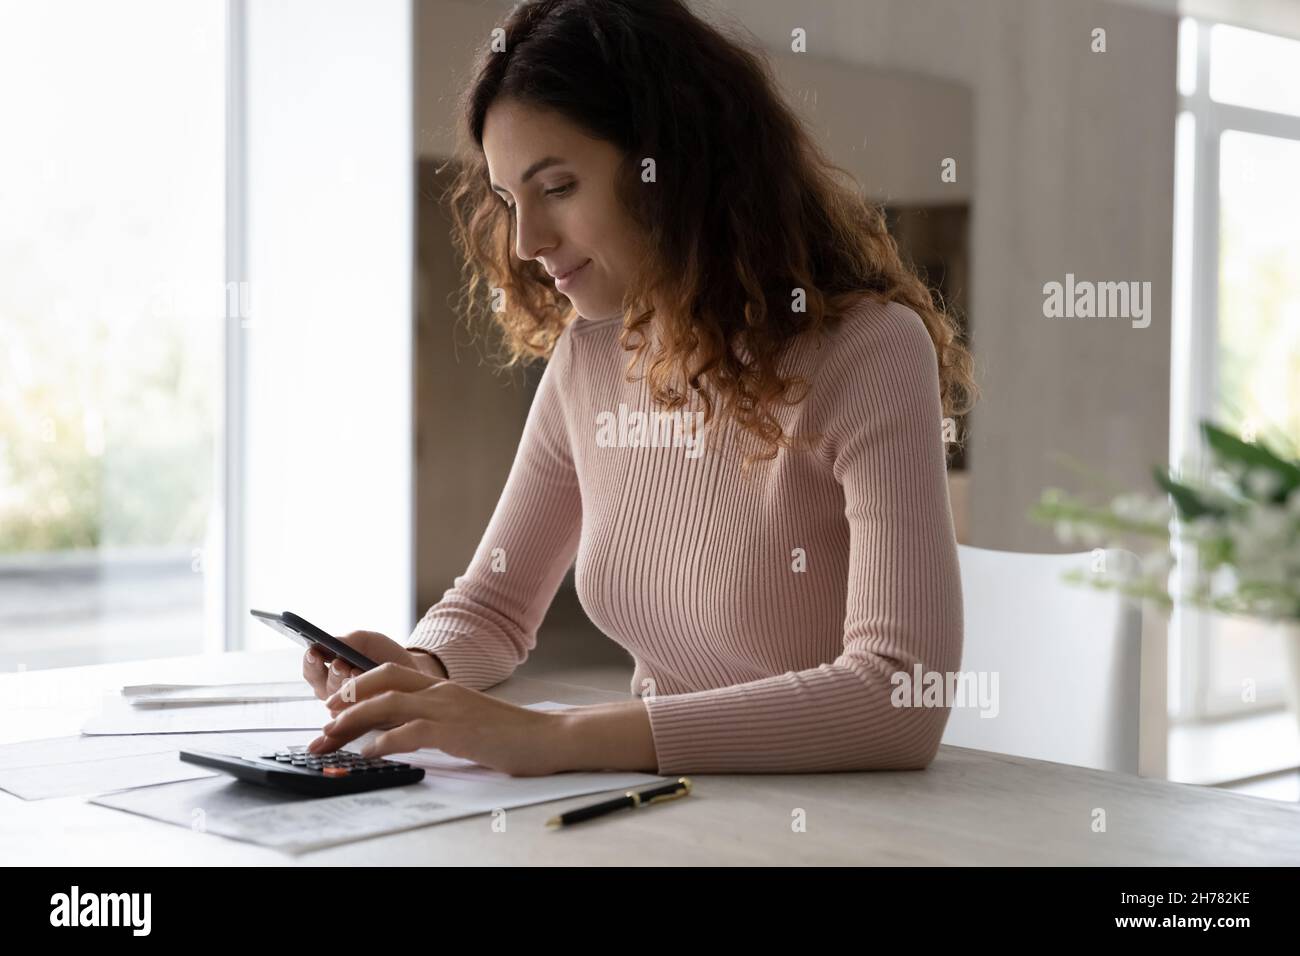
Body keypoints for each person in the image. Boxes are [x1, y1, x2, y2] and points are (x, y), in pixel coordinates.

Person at [303, 0, 977, 777]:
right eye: (509, 202)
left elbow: (898, 698)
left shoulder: (871, 353)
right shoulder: (589, 358)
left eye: (556, 187)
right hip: (661, 815)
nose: (526, 244)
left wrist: (556, 739)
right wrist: (422, 670)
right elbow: (493, 604)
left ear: (674, 167)